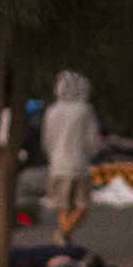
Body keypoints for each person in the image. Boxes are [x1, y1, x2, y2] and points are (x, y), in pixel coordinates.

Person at [40, 70, 102, 244]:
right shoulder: (85, 110)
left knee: (64, 207)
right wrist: (91, 154)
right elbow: (92, 141)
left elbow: (47, 140)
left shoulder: (51, 111)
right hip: (79, 165)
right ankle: (64, 234)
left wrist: (52, 156)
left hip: (57, 165)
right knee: (82, 206)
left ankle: (65, 241)